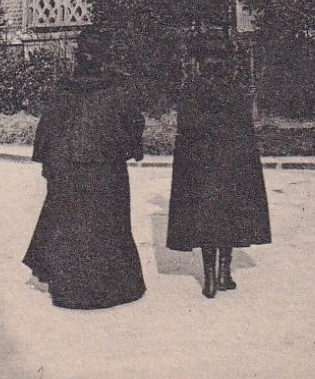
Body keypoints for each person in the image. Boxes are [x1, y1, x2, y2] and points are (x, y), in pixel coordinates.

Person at [23, 61, 147, 310]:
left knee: (69, 224)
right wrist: (128, 147)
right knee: (109, 224)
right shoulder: (117, 93)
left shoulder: (63, 91)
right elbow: (134, 124)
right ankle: (112, 288)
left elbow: (46, 128)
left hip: (68, 166)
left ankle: (69, 287)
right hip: (106, 168)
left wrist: (49, 162)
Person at [167, 52, 271, 299]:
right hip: (231, 166)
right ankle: (225, 272)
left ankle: (209, 280)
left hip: (201, 168)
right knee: (228, 218)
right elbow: (246, 132)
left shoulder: (190, 92)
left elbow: (184, 132)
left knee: (205, 221)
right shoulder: (237, 92)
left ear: (200, 65)